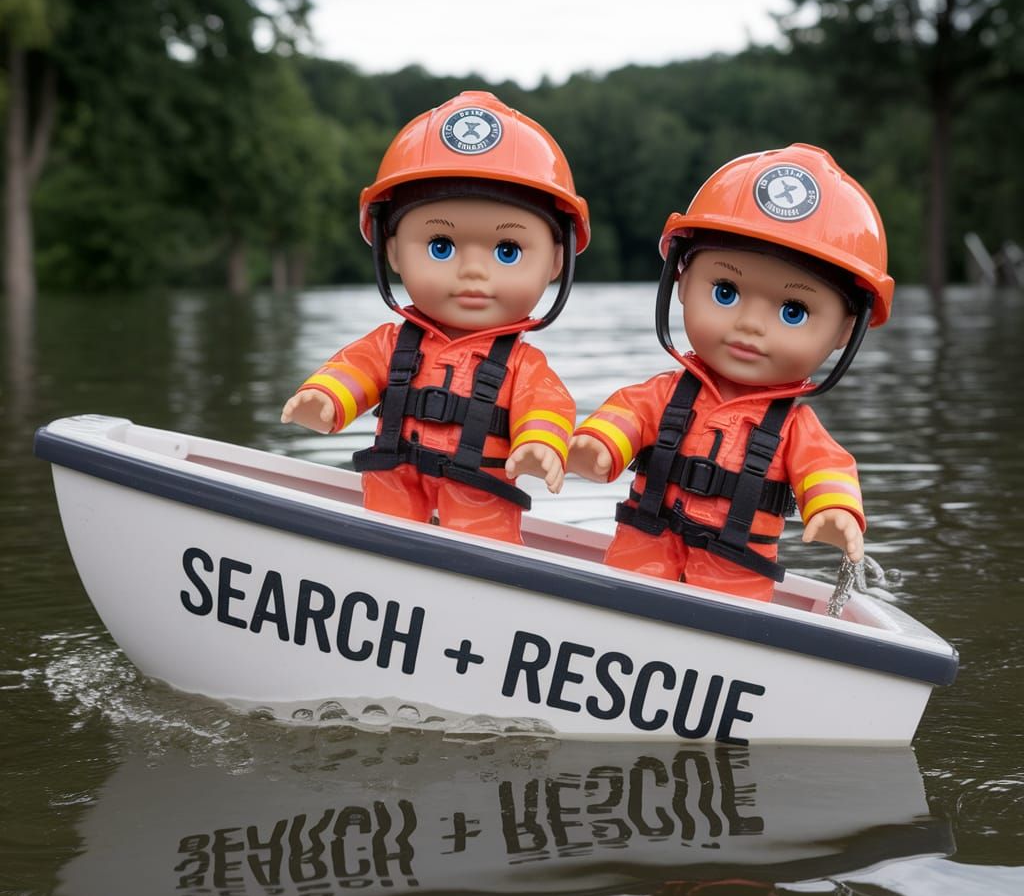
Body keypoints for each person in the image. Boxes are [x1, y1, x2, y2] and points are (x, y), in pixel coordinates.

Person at [568, 144, 894, 602]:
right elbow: (626, 416)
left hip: (734, 587)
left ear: (844, 331)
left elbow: (828, 468)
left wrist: (835, 511)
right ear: (681, 285)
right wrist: (596, 447)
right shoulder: (663, 394)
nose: (751, 325)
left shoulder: (796, 429)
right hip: (637, 563)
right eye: (725, 291)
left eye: (793, 310)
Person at [282, 91, 589, 544]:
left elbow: (547, 406)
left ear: (555, 264)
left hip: (480, 500)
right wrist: (327, 398)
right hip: (393, 483)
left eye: (508, 251)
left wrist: (539, 443)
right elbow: (356, 369)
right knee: (383, 525)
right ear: (391, 251)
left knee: (485, 539)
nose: (472, 271)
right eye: (440, 246)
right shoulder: (391, 343)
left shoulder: (524, 367)